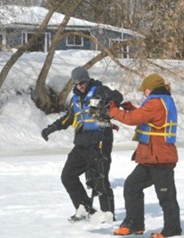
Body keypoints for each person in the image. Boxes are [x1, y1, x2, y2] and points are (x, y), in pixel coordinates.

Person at [40, 66, 123, 222]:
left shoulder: (100, 90)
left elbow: (118, 97)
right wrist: (50, 129)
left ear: (88, 79)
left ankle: (108, 215)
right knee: (68, 176)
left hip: (100, 141)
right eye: (77, 84)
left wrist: (107, 106)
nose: (80, 86)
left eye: (83, 82)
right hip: (82, 144)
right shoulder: (75, 100)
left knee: (100, 179)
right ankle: (84, 208)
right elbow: (67, 119)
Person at [107, 73, 182, 238]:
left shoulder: (156, 102)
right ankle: (135, 224)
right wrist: (131, 109)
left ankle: (172, 229)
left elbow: (134, 119)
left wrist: (113, 111)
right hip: (151, 158)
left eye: (144, 90)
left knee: (166, 196)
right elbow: (147, 118)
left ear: (150, 89)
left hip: (160, 158)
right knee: (132, 186)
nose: (143, 93)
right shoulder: (161, 100)